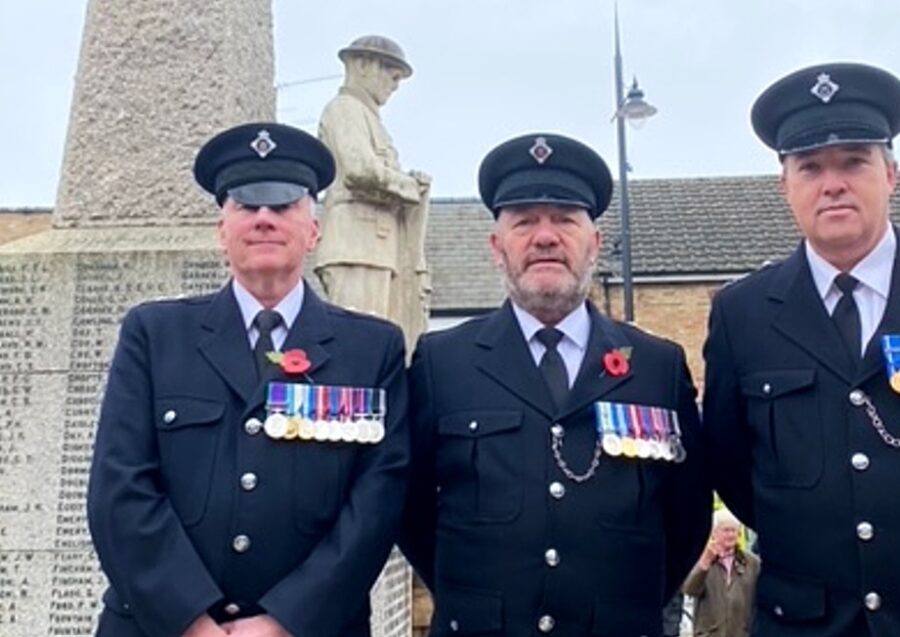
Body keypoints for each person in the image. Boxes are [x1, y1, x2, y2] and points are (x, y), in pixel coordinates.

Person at [703, 62, 900, 636]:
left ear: (892, 173)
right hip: (810, 622)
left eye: (854, 162)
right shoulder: (743, 314)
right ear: (785, 185)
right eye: (810, 167)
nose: (833, 183)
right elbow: (733, 464)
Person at [87, 122, 409, 637]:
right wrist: (191, 619)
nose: (264, 219)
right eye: (245, 205)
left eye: (282, 206)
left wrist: (284, 621)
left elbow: (376, 504)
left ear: (314, 230)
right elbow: (119, 488)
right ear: (221, 230)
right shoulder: (154, 335)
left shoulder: (371, 350)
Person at [399, 132, 711, 636]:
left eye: (565, 219)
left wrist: (625, 605)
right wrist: (473, 594)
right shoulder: (443, 363)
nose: (545, 237)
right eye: (524, 222)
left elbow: (687, 515)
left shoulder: (656, 368)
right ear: (497, 248)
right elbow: (409, 509)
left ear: (595, 243)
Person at [314, 34, 432, 342]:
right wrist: (410, 187)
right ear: (363, 65)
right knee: (357, 344)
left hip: (377, 247)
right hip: (355, 245)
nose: (394, 85)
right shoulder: (344, 109)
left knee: (380, 343)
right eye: (391, 75)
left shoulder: (369, 117)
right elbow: (360, 171)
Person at [683, 509, 760, 637]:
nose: (731, 535)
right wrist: (705, 564)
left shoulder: (752, 563)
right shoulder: (699, 557)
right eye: (726, 530)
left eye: (734, 530)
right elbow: (690, 589)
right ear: (714, 533)